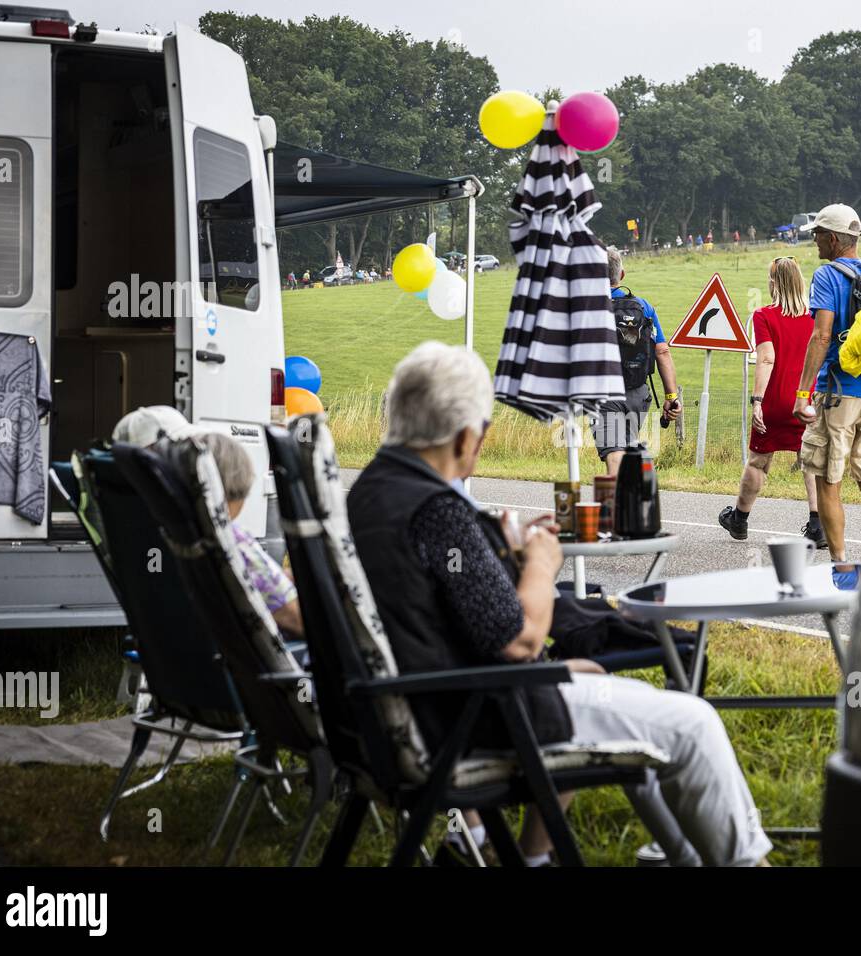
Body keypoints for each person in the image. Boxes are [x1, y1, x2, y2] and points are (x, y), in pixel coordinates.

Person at [348, 342, 772, 867]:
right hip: (473, 714)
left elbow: (439, 595)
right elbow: (521, 641)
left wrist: (493, 553)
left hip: (406, 708)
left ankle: (536, 854)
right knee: (693, 724)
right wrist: (541, 564)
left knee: (593, 678)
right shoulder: (436, 510)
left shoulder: (367, 492)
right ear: (463, 437)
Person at [792, 203, 861, 561]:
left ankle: (840, 564)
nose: (815, 242)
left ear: (835, 239)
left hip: (840, 393)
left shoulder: (826, 276)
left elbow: (821, 337)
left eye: (818, 235)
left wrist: (803, 392)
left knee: (828, 478)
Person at [719, 257, 819, 542]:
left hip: (776, 402)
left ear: (774, 284)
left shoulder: (764, 315)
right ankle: (816, 524)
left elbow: (766, 358)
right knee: (809, 461)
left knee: (758, 462)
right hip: (806, 401)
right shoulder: (814, 316)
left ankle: (739, 519)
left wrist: (757, 401)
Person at [200, 432, 305, 639]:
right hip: (251, 664)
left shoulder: (177, 532)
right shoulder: (232, 542)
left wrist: (281, 576)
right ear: (241, 482)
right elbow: (299, 620)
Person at [590, 247, 682, 477]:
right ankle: (633, 498)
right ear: (622, 275)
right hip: (638, 393)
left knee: (615, 454)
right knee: (626, 447)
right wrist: (671, 397)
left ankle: (618, 509)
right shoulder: (643, 307)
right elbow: (662, 351)